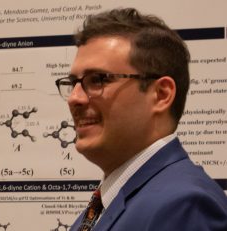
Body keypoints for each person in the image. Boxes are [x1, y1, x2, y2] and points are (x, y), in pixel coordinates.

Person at [55, 8, 227, 231]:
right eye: (73, 83)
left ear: (161, 95)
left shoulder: (184, 205)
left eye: (97, 79)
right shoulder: (116, 200)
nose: (75, 99)